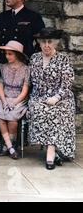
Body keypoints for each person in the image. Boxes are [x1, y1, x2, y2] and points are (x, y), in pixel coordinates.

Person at [28, 28, 76, 170]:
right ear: (39, 43)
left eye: (49, 42)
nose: (46, 45)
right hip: (40, 96)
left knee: (56, 111)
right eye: (43, 42)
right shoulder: (34, 58)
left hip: (61, 97)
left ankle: (50, 151)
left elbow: (67, 84)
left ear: (55, 43)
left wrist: (56, 97)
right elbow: (30, 82)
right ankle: (53, 152)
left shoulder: (63, 59)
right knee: (39, 108)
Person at [0, 40, 30, 160]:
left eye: (10, 54)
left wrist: (15, 102)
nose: (7, 56)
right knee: (0, 115)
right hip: (4, 97)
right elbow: (0, 86)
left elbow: (25, 90)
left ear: (17, 55)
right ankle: (10, 147)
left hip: (18, 99)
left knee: (12, 119)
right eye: (6, 54)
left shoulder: (26, 69)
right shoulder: (3, 67)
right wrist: (4, 101)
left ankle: (7, 145)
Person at [0, 0, 45, 64]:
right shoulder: (3, 16)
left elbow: (41, 40)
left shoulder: (33, 16)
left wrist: (34, 57)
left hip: (23, 60)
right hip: (5, 60)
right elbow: (0, 38)